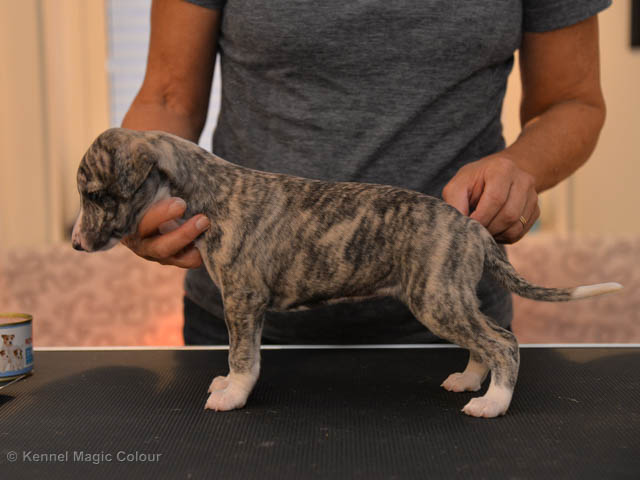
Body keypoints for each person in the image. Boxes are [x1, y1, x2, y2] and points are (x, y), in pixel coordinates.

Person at [121, 0, 610, 345]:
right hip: (246, 319)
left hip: (443, 313)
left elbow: (572, 101)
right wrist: (135, 197)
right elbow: (167, 97)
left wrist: (520, 168)